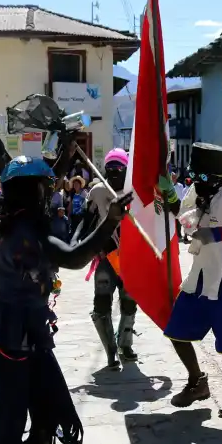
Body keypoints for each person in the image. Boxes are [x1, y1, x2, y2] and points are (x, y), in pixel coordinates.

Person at [0, 151, 133, 444]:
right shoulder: (25, 231)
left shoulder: (24, 219)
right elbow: (72, 257)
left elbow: (67, 244)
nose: (50, 191)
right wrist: (108, 221)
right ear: (32, 192)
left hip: (29, 330)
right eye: (45, 186)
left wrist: (67, 149)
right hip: (5, 333)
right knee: (8, 417)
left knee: (49, 403)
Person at [164, 143, 222, 414]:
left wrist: (218, 234)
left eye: (205, 178)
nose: (198, 183)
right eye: (195, 176)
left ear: (220, 178)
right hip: (199, 277)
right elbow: (182, 214)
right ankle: (197, 382)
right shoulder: (196, 191)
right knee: (176, 332)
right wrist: (168, 193)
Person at [79, 148, 151, 370]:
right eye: (109, 168)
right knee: (101, 303)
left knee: (130, 302)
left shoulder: (136, 192)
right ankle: (110, 350)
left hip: (131, 257)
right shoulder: (97, 192)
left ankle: (125, 344)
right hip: (106, 255)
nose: (113, 172)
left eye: (118, 168)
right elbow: (86, 223)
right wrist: (91, 246)